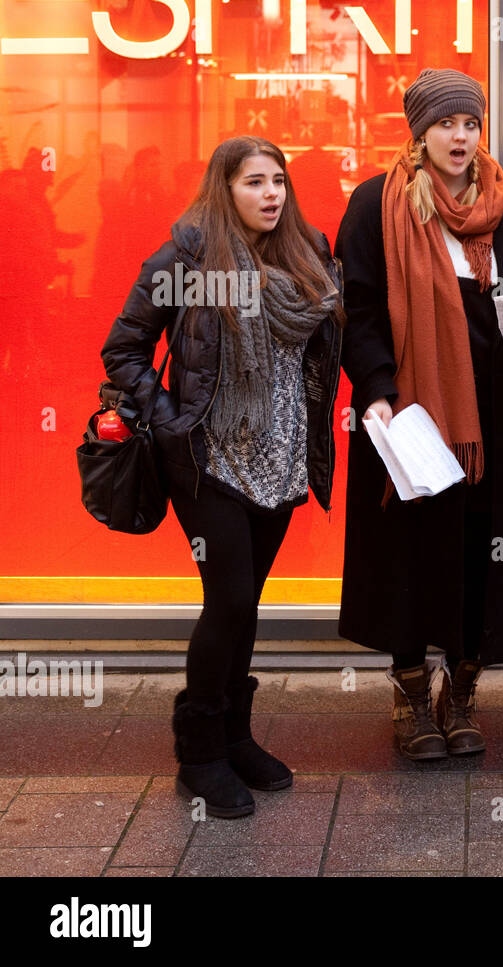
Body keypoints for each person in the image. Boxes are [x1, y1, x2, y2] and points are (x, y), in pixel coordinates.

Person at [101, 136, 344, 818]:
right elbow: (124, 347)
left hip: (282, 451)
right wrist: (174, 420)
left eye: (278, 181)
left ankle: (236, 736)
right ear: (224, 188)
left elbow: (324, 346)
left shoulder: (309, 250)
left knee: (248, 601)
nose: (271, 194)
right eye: (254, 183)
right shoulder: (188, 252)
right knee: (229, 599)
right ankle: (200, 753)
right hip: (210, 457)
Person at [334, 69, 503, 761]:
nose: (460, 137)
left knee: (481, 554)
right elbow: (358, 305)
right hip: (409, 410)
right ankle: (408, 697)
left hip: (498, 416)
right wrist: (375, 388)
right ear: (420, 131)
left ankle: (461, 692)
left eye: (470, 123)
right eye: (446, 124)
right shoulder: (377, 203)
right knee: (409, 553)